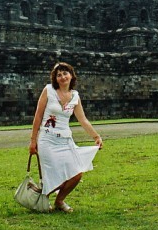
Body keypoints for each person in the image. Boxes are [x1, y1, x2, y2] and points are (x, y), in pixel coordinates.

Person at [29, 62, 103, 212]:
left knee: (77, 173)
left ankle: (59, 201)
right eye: (59, 75)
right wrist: (33, 141)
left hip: (65, 140)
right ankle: (40, 199)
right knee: (52, 174)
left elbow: (83, 120)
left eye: (65, 73)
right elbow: (38, 116)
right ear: (55, 78)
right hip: (47, 139)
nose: (62, 77)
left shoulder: (75, 96)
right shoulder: (48, 90)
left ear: (71, 75)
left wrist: (96, 136)